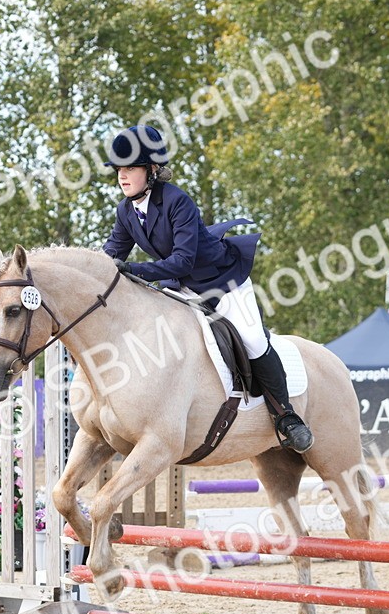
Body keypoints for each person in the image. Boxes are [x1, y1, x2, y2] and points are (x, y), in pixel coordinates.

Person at [101, 124, 313, 453]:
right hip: (180, 286)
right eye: (119, 170)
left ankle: (286, 415)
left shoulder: (177, 201)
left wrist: (135, 269)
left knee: (253, 339)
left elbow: (183, 260)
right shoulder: (125, 211)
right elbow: (111, 254)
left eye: (130, 169)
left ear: (152, 170)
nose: (122, 177)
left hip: (221, 280)